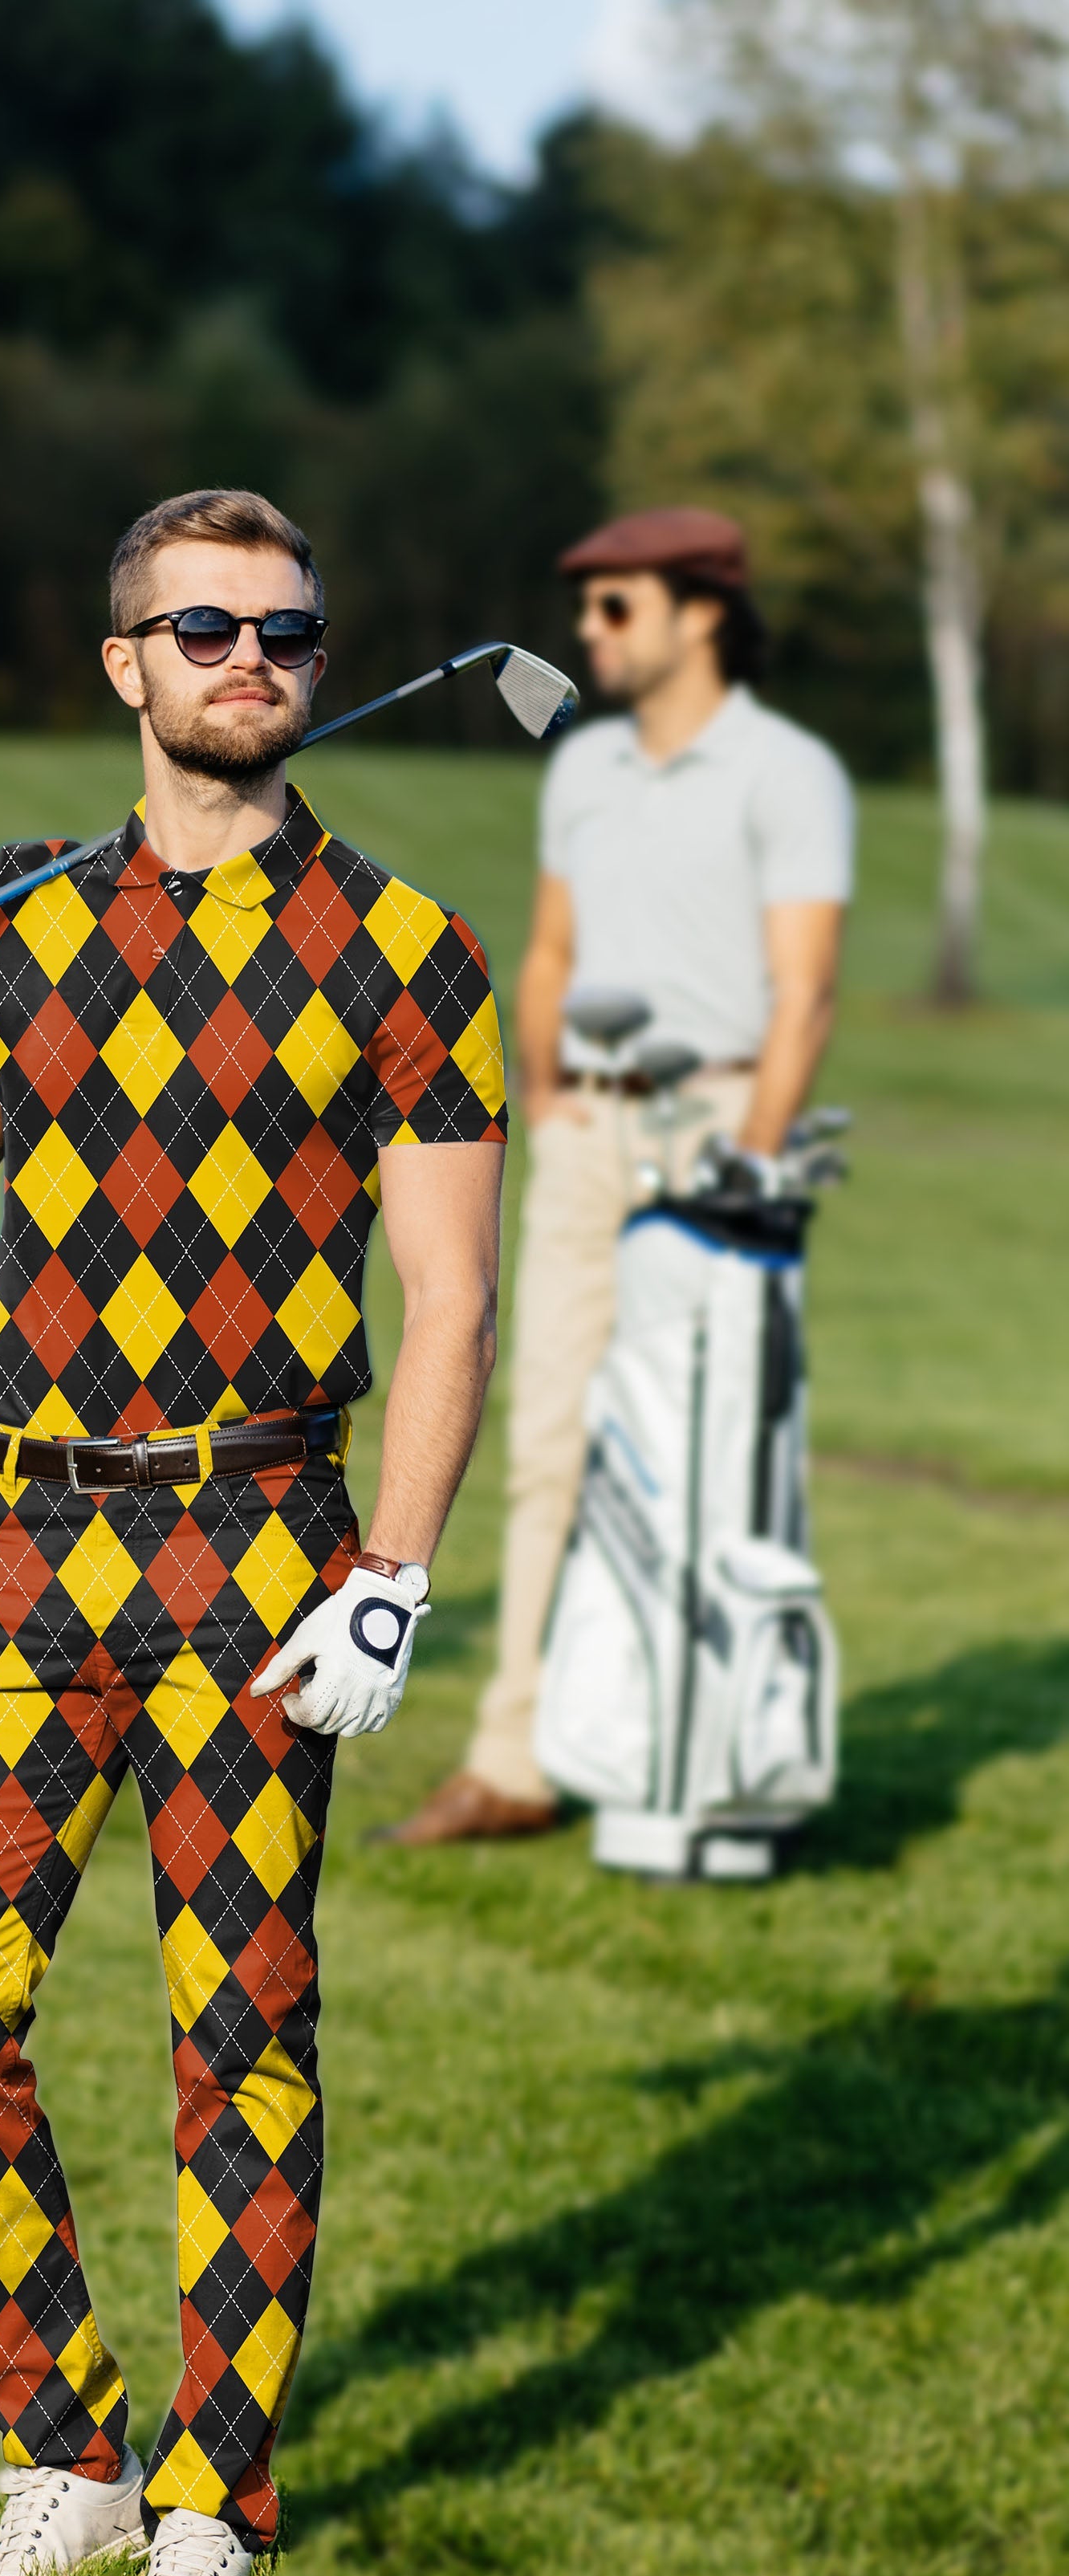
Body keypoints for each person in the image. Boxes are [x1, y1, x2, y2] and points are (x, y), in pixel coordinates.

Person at [0, 488, 506, 2576]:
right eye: (202, 628)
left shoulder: (407, 949)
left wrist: (395, 1570)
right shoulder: (27, 921)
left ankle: (210, 2501)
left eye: (284, 626)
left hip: (263, 1533)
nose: (249, 656)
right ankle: (64, 2449)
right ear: (129, 670)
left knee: (239, 2031)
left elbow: (452, 1302)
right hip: (28, 1534)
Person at [385, 505, 853, 1849]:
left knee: (700, 1455)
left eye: (616, 607)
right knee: (545, 1447)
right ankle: (518, 1758)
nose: (589, 632)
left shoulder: (787, 770)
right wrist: (549, 1098)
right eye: (584, 608)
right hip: (588, 1132)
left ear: (703, 611)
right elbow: (548, 955)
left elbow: (806, 994)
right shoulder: (583, 768)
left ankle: (696, 1755)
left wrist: (750, 1168)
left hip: (717, 1130)